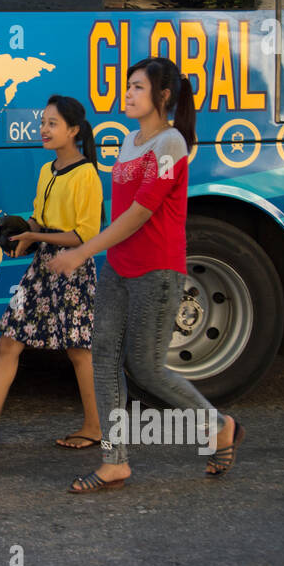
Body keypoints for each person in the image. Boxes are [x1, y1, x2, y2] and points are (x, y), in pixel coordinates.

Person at [47, 58, 243, 493]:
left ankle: (217, 424)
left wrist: (81, 253)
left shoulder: (170, 144)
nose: (128, 94)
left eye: (137, 87)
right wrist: (97, 253)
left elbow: (140, 213)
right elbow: (120, 214)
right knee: (103, 357)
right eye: (128, 86)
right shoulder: (131, 142)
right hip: (119, 267)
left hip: (158, 271)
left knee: (147, 368)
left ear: (163, 96)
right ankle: (114, 461)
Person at [0, 95, 105, 449]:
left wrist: (34, 234)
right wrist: (23, 233)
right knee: (9, 341)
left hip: (73, 267)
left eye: (53, 124)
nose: (44, 129)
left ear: (73, 130)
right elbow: (40, 220)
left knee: (79, 350)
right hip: (43, 266)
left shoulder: (86, 175)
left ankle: (94, 427)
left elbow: (85, 234)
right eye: (43, 122)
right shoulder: (48, 170)